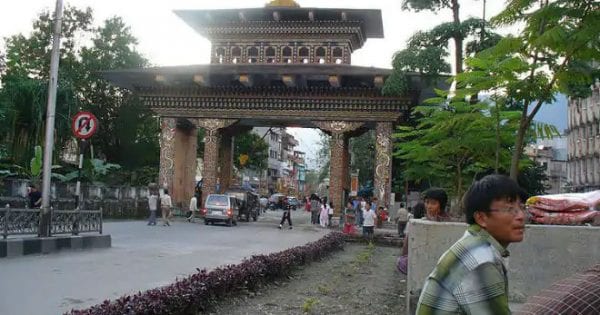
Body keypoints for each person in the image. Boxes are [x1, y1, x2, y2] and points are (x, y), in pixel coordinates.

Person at [416, 175, 527, 315]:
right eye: (510, 209)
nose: (521, 216)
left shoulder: (475, 244)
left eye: (522, 207)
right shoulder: (481, 261)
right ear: (481, 218)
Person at [397, 188, 449, 275]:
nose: (429, 206)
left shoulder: (449, 223)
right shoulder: (419, 223)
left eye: (433, 203)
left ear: (441, 205)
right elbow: (406, 249)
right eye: (427, 202)